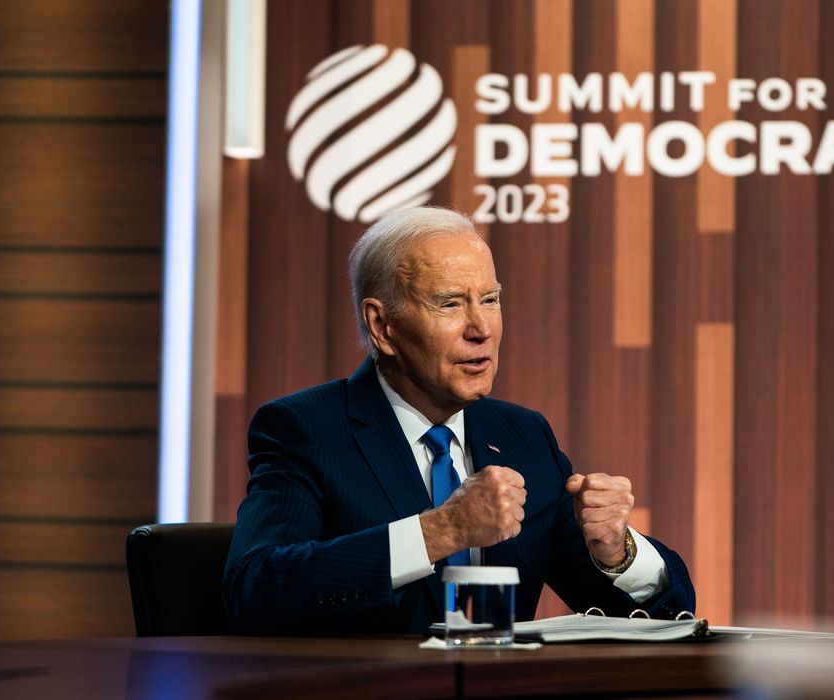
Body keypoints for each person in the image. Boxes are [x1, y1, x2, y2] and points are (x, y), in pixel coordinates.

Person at [223, 206, 694, 634]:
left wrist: (617, 551)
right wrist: (441, 531)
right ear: (382, 326)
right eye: (450, 303)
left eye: (489, 300)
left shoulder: (524, 436)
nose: (481, 329)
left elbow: (655, 618)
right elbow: (256, 588)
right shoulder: (305, 428)